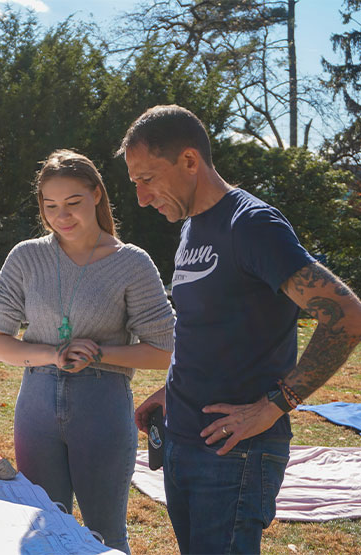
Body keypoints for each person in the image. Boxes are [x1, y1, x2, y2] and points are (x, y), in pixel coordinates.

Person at [119, 104, 361, 554]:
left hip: (236, 455)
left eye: (147, 179)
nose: (141, 197)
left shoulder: (251, 225)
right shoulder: (191, 226)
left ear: (190, 161)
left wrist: (276, 405)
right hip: (182, 438)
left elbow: (346, 317)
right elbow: (208, 328)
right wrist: (170, 393)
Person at [0, 149, 175, 553]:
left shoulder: (131, 263)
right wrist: (54, 355)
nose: (62, 215)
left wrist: (100, 353)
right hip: (35, 407)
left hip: (102, 407)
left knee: (105, 535)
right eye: (50, 206)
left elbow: (165, 351)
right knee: (43, 530)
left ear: (97, 196)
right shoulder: (26, 256)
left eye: (73, 202)